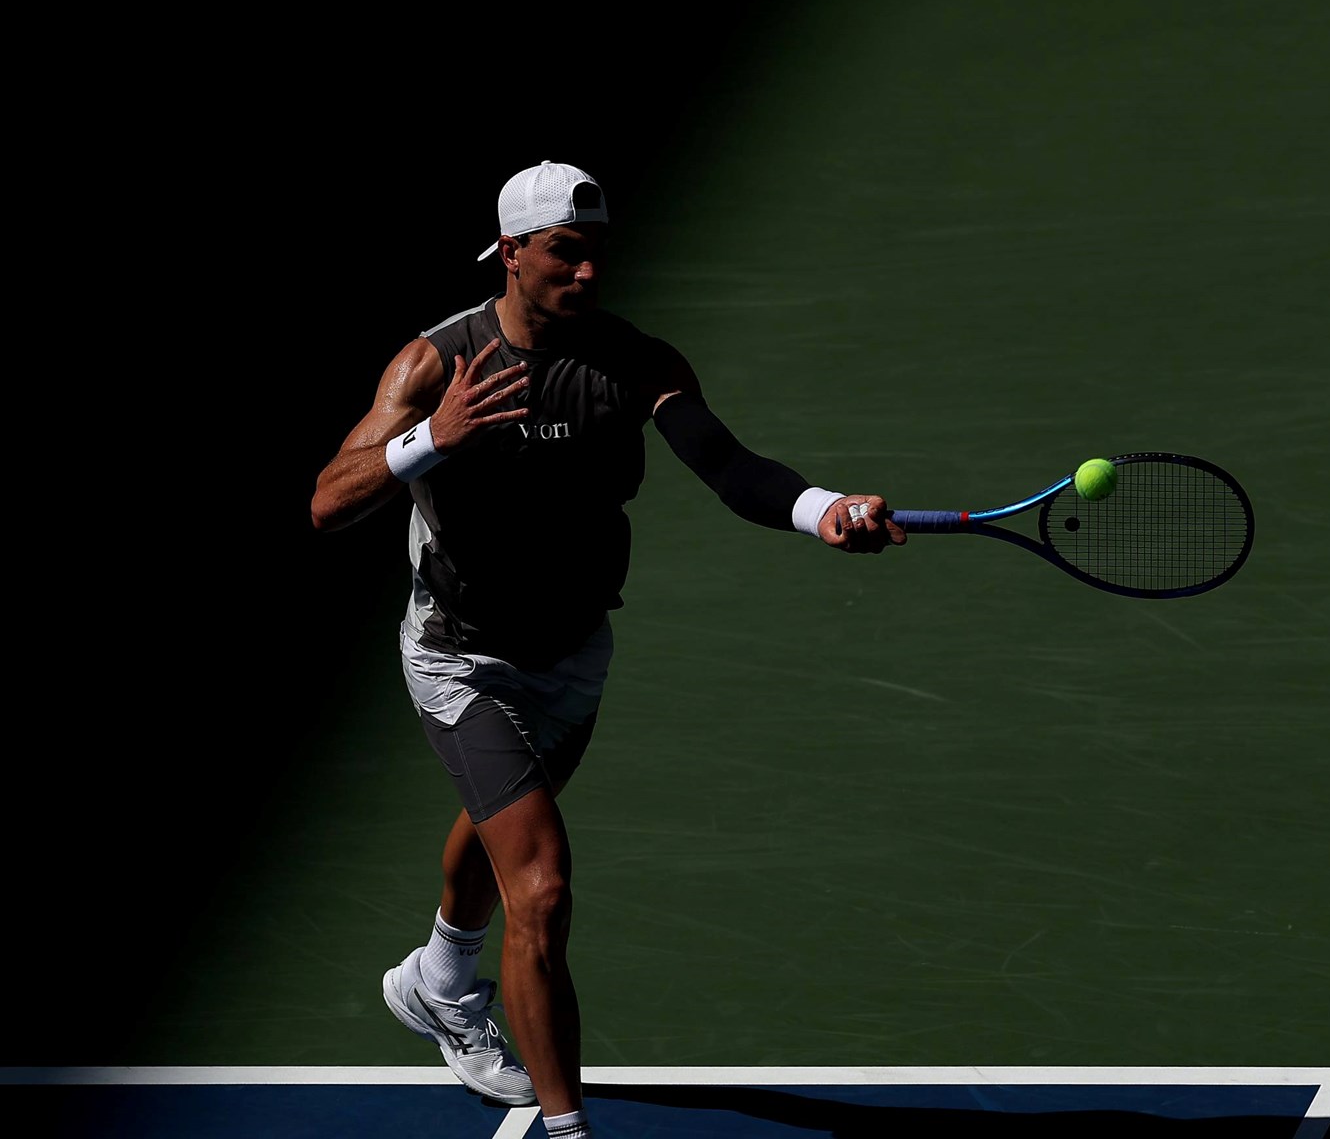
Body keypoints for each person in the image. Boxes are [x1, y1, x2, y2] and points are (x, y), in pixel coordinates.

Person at [308, 160, 906, 1139]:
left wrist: (823, 510)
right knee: (538, 888)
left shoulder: (632, 361)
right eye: (565, 255)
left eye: (598, 256)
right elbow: (329, 502)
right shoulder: (433, 365)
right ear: (511, 253)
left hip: (573, 655)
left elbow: (728, 465)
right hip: (460, 656)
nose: (589, 275)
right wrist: (432, 439)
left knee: (500, 820)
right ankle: (570, 1128)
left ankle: (437, 980)